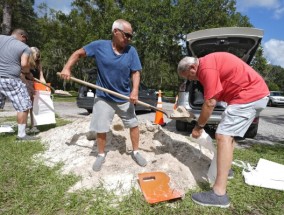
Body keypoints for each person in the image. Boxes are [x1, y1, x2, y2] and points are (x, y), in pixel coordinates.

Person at [177, 52, 269, 208]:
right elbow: (217, 93)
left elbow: (210, 103)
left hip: (248, 95)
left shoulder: (206, 68)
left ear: (193, 67)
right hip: (255, 95)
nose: (192, 80)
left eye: (189, 76)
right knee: (228, 136)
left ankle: (219, 194)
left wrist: (198, 127)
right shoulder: (210, 63)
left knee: (222, 135)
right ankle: (226, 171)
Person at [60, 19, 147, 171]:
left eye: (131, 36)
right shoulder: (99, 46)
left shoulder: (131, 51)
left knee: (133, 124)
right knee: (101, 127)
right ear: (116, 32)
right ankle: (101, 155)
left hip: (124, 96)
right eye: (126, 35)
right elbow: (78, 53)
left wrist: (135, 90)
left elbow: (136, 72)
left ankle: (136, 151)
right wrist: (67, 68)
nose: (129, 39)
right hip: (103, 96)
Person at [0, 29, 39, 141]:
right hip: (10, 79)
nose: (25, 42)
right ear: (22, 36)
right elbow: (24, 64)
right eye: (25, 39)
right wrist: (28, 73)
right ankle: (21, 135)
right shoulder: (24, 47)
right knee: (24, 104)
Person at [21, 47, 46, 134]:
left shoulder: (38, 64)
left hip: (34, 84)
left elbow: (41, 76)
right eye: (36, 55)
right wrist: (29, 86)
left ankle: (33, 125)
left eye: (39, 56)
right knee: (26, 106)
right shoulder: (25, 62)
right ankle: (25, 126)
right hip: (25, 85)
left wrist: (45, 86)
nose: (37, 57)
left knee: (34, 106)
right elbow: (22, 76)